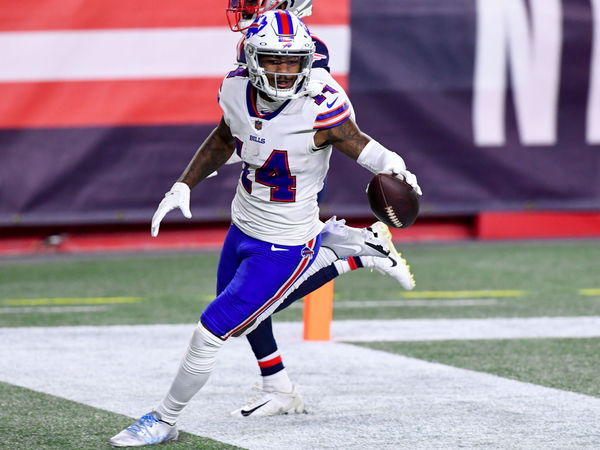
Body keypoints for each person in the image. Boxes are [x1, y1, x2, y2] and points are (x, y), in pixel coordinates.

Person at [110, 10, 421, 447]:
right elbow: (224, 137)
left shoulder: (320, 104)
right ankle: (278, 387)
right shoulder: (235, 88)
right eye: (273, 61)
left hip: (286, 241)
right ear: (253, 60)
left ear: (307, 62)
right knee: (246, 316)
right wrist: (184, 184)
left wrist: (396, 167)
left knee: (215, 328)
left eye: (293, 62)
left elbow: (360, 144)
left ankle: (164, 419)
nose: (283, 71)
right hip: (243, 223)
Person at [218, 0, 418, 418]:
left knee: (252, 302)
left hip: (294, 180)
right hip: (264, 184)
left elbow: (324, 124)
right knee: (236, 297)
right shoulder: (265, 43)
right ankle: (277, 385)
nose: (244, 7)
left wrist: (390, 164)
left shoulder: (305, 50)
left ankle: (358, 254)